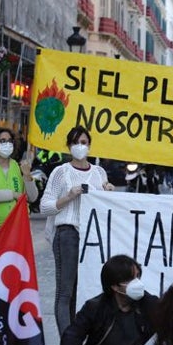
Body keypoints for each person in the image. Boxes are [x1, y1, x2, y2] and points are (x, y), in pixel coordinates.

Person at [40, 126, 114, 334]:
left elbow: (106, 206)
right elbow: (45, 206)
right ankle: (67, 342)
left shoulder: (99, 173)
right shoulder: (61, 172)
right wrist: (68, 197)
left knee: (84, 289)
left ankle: (77, 336)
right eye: (75, 143)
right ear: (68, 146)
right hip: (68, 234)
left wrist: (109, 192)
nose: (80, 147)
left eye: (83, 142)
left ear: (89, 145)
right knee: (65, 291)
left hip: (92, 237)